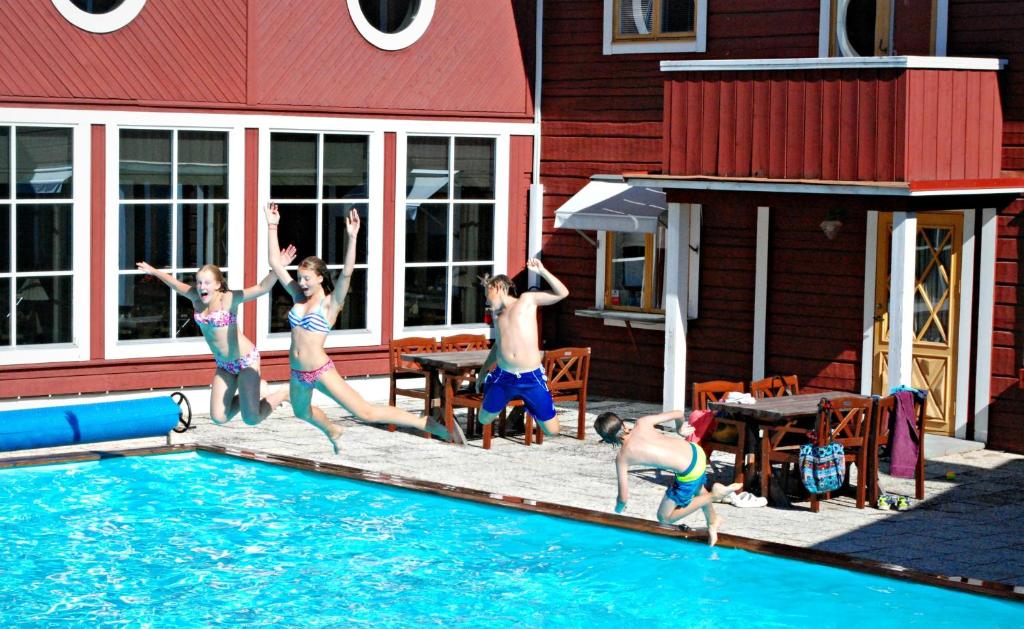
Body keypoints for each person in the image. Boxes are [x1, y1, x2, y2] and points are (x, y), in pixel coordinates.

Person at [264, 203, 458, 453]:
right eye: (299, 278)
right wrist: (272, 225)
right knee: (302, 412)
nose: (301, 283)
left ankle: (424, 421)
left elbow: (346, 273)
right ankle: (332, 430)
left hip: (320, 370)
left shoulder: (330, 304)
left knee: (364, 411)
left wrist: (352, 237)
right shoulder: (297, 297)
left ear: (320, 278)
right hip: (297, 372)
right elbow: (274, 262)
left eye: (307, 279)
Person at [136, 252, 296, 426]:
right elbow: (175, 284)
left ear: (218, 285)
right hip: (224, 365)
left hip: (245, 362)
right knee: (219, 417)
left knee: (251, 418)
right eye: (198, 282)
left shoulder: (228, 299)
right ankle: (255, 390)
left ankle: (283, 393)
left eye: (207, 283)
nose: (201, 286)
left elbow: (261, 288)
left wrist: (278, 268)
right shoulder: (196, 298)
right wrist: (155, 271)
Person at [594, 410, 743, 546]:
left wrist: (618, 509)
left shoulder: (623, 457)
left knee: (664, 517)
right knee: (698, 489)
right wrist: (680, 429)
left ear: (607, 440)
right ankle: (713, 521)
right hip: (697, 452)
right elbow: (678, 413)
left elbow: (623, 498)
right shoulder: (642, 422)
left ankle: (715, 495)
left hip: (690, 470)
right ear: (623, 423)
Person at [474, 260, 569, 436]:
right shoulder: (497, 315)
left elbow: (563, 293)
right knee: (483, 419)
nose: (486, 300)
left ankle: (528, 405)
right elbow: (498, 345)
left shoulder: (527, 300)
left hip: (531, 377)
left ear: (499, 288)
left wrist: (542, 271)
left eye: (488, 294)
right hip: (504, 376)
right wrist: (483, 370)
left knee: (553, 431)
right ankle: (498, 387)